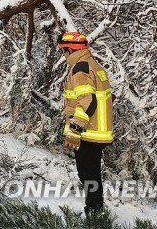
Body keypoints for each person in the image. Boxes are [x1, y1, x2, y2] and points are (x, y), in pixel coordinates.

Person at [58, 31, 114, 215]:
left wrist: (75, 129)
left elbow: (88, 101)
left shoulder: (80, 68)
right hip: (98, 132)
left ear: (69, 50)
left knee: (88, 176)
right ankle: (96, 212)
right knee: (92, 175)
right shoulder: (93, 65)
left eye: (63, 51)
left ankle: (95, 215)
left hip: (89, 134)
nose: (63, 55)